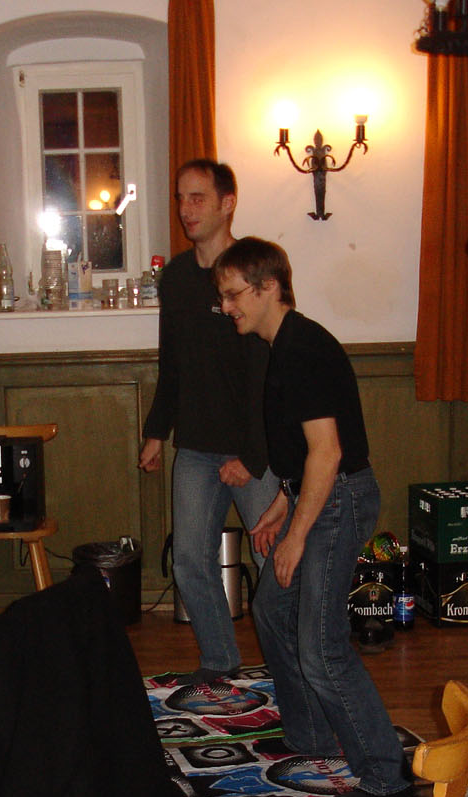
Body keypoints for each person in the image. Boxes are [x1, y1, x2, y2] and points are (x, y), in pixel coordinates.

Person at [215, 237, 407, 797]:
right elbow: (302, 457)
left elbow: (328, 452)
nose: (227, 307)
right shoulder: (283, 345)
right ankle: (314, 736)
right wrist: (282, 504)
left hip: (338, 502)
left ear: (268, 286)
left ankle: (386, 773)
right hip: (318, 497)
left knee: (322, 649)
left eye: (233, 295)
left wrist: (296, 535)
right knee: (272, 611)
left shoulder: (302, 349)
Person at [139, 160, 275, 685]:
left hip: (254, 448)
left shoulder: (254, 271)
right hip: (195, 446)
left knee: (276, 563)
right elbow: (171, 362)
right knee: (189, 562)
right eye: (180, 197)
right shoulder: (175, 277)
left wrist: (254, 455)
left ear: (227, 203)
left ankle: (293, 664)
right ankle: (221, 664)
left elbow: (271, 372)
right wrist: (157, 432)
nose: (186, 209)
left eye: (197, 197)